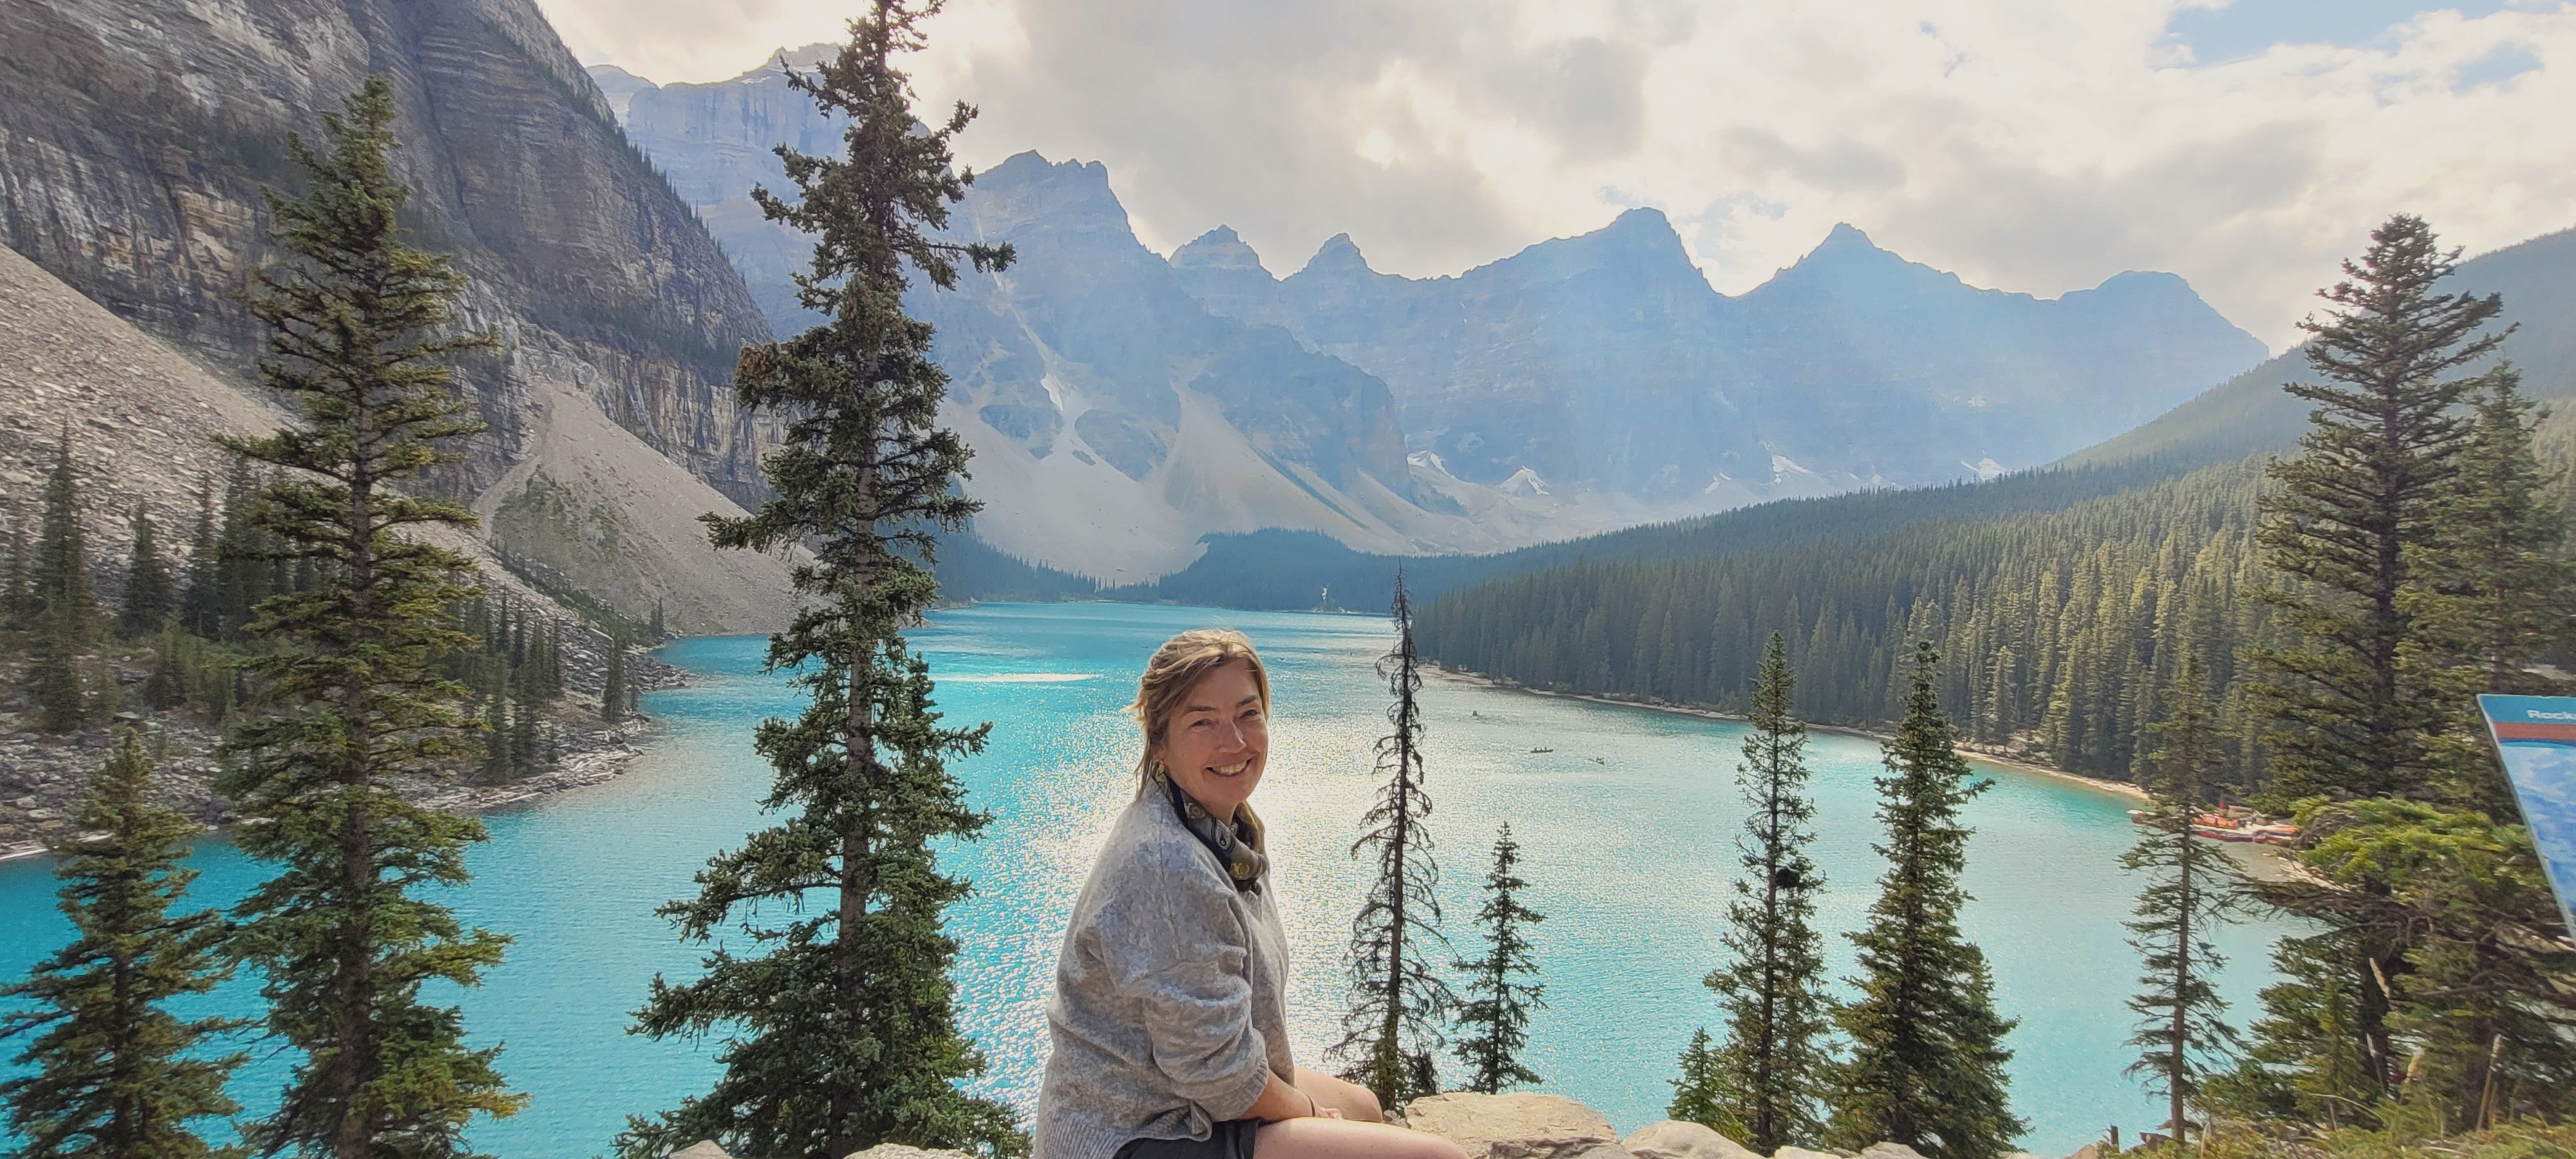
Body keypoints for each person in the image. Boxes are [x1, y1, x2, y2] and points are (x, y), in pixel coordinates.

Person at [1034, 629, 1469, 1159]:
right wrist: (1309, 1115)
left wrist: (1316, 1114)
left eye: (1248, 714)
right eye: (1203, 722)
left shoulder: (1219, 830)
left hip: (1178, 1096)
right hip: (1134, 1132)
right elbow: (1218, 1077)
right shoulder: (1167, 861)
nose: (1235, 743)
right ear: (1160, 742)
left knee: (1365, 1107)